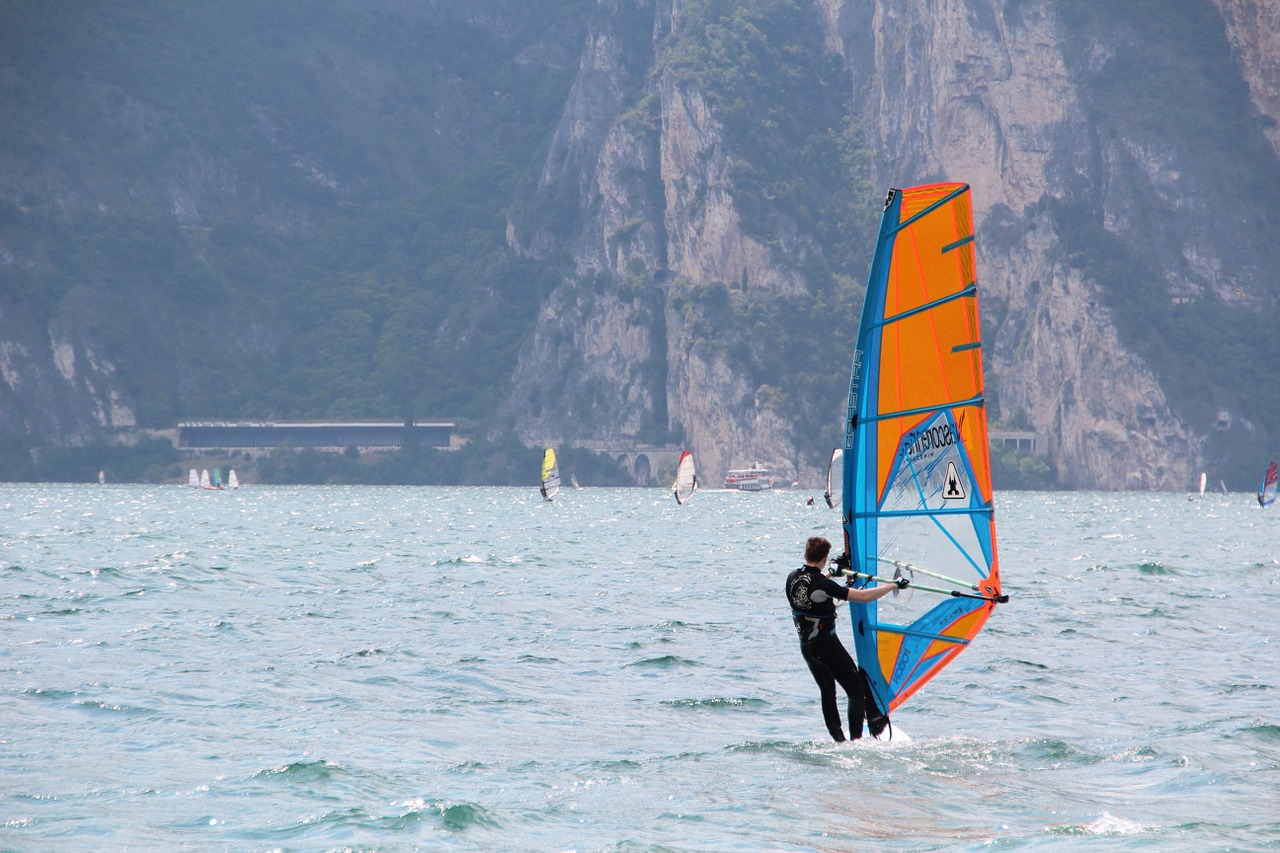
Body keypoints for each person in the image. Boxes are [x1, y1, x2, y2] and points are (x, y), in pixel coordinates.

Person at [785, 535, 907, 742]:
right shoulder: (822, 584)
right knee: (856, 692)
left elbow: (813, 587)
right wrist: (893, 586)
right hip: (827, 646)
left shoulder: (792, 577)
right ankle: (856, 740)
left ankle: (838, 739)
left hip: (807, 648)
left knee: (827, 691)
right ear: (824, 558)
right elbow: (862, 597)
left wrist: (830, 573)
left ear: (805, 555)